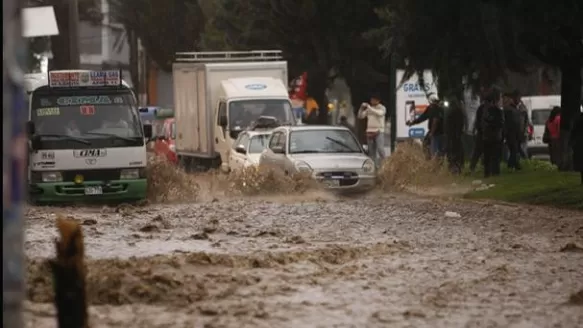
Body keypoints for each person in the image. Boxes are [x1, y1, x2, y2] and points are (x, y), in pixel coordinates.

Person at [480, 88, 505, 178]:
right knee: (494, 157)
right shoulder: (497, 111)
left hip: (488, 136)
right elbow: (501, 123)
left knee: (489, 157)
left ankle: (488, 173)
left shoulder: (484, 110)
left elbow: (481, 123)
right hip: (494, 137)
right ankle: (494, 173)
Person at [357, 93, 386, 167]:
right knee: (371, 151)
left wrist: (369, 108)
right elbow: (360, 116)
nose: (372, 101)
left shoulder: (382, 107)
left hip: (379, 131)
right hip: (369, 131)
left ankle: (385, 164)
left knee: (380, 149)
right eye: (371, 99)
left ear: (378, 100)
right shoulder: (369, 109)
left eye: (374, 99)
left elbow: (380, 114)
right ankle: (374, 167)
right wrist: (361, 107)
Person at [444, 97, 467, 174]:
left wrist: (456, 133)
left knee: (454, 152)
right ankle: (457, 167)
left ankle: (455, 168)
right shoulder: (459, 112)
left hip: (453, 135)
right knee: (456, 152)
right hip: (455, 135)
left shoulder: (453, 112)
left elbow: (457, 124)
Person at [502, 93, 522, 170]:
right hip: (511, 133)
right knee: (514, 150)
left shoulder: (515, 109)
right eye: (518, 98)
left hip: (515, 133)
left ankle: (515, 165)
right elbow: (510, 123)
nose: (519, 100)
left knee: (515, 150)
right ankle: (511, 165)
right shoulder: (509, 110)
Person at [512, 90, 531, 159]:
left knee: (523, 149)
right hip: (514, 133)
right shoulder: (511, 107)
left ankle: (524, 162)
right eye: (515, 97)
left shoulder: (523, 108)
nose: (516, 99)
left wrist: (525, 131)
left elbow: (526, 121)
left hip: (522, 133)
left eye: (518, 97)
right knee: (516, 150)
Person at [469, 98, 486, 173]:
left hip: (480, 132)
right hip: (482, 132)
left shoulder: (481, 108)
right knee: (478, 151)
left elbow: (477, 120)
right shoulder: (483, 108)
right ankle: (474, 166)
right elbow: (477, 120)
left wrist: (474, 128)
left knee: (478, 151)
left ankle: (474, 166)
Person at [570, 111, 583, 184]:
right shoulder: (578, 118)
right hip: (579, 142)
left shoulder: (578, 118)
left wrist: (572, 143)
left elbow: (573, 132)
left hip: (579, 143)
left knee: (581, 162)